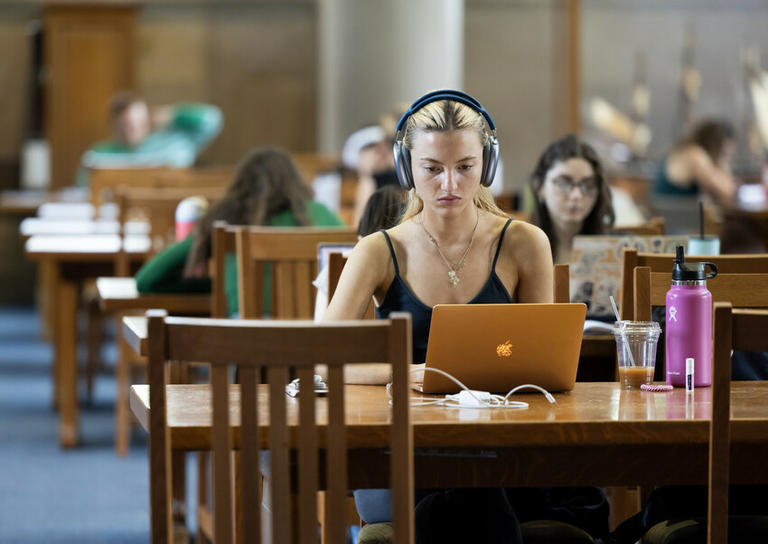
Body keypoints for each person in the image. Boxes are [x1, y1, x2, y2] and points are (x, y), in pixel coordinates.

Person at [324, 90, 553, 543]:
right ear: (408, 168)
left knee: (477, 492)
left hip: (496, 442)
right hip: (399, 449)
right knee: (474, 501)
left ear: (486, 167)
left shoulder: (525, 243)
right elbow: (323, 359)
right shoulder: (378, 249)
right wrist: (407, 372)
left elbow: (542, 357)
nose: (449, 184)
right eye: (432, 169)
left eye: (465, 167)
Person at [135, 147, 344, 316]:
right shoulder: (321, 215)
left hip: (245, 340)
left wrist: (220, 286)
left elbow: (147, 279)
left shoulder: (228, 218)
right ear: (295, 182)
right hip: (316, 335)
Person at [75, 91, 223, 186]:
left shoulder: (175, 146)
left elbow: (212, 119)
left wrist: (170, 114)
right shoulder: (98, 156)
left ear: (147, 118)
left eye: (138, 122)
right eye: (125, 125)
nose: (131, 130)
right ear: (113, 126)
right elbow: (83, 192)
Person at [530, 134, 616, 264]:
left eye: (587, 185)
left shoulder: (618, 249)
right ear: (539, 188)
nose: (576, 195)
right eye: (564, 183)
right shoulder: (521, 246)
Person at [653, 119, 738, 206]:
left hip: (669, 214)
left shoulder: (685, 150)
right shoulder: (695, 155)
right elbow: (726, 192)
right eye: (724, 152)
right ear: (715, 145)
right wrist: (723, 161)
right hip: (677, 216)